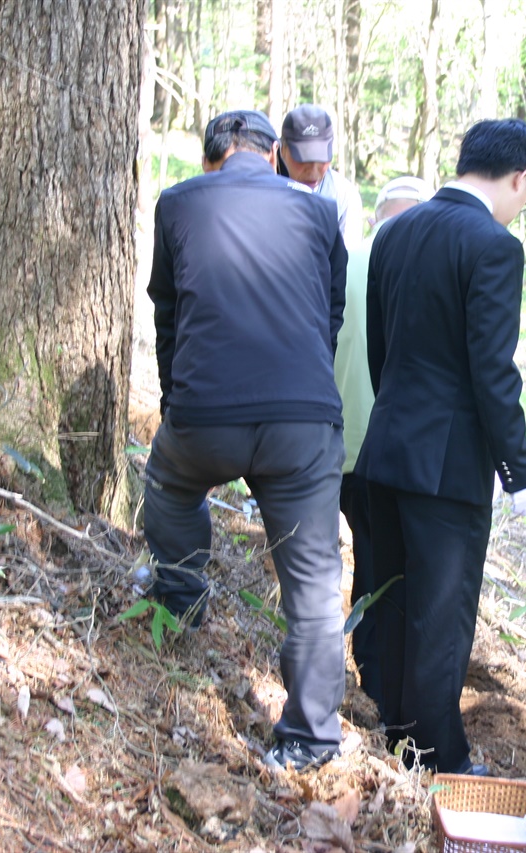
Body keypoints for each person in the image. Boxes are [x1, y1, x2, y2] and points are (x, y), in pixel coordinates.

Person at [145, 109, 349, 771]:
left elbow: (168, 316)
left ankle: (180, 595)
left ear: (214, 158)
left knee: (170, 488)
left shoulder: (177, 204)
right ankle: (311, 737)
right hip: (304, 421)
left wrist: (177, 401)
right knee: (314, 584)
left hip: (205, 414)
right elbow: (331, 312)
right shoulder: (319, 213)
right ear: (272, 155)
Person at [356, 118, 526, 776]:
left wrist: (398, 419)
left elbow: (380, 347)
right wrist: (520, 470)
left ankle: (386, 723)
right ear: (520, 176)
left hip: (387, 444)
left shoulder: (396, 231)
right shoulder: (494, 246)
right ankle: (439, 756)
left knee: (389, 591)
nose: (524, 204)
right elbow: (491, 370)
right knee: (440, 613)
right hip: (446, 465)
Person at [335, 175, 434, 707]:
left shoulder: (342, 262)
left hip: (344, 447)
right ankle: (389, 686)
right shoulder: (422, 271)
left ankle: (369, 673)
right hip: (402, 453)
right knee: (399, 570)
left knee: (369, 561)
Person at [279, 104, 365, 247]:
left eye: (321, 159)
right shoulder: (263, 191)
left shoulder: (343, 195)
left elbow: (349, 256)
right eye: (303, 160)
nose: (313, 170)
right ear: (282, 150)